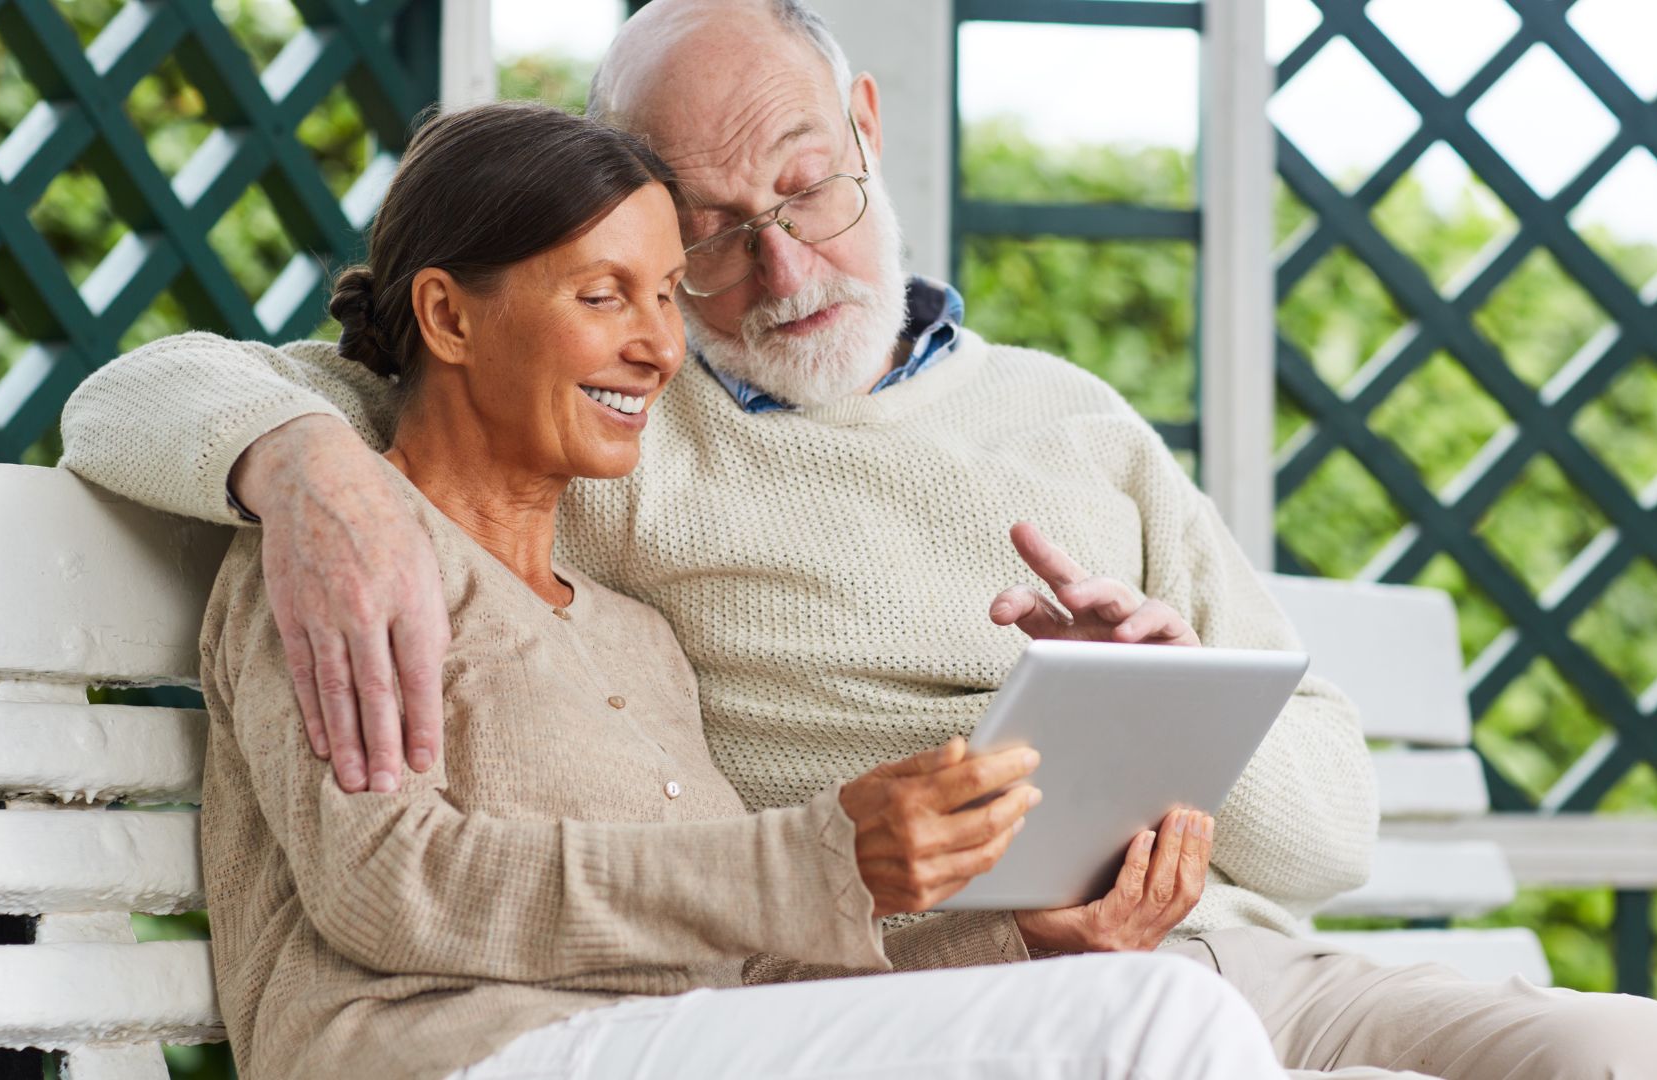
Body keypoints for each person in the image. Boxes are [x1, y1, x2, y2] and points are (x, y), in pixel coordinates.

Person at [67, 2, 1657, 1076]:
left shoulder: (1079, 420)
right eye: (702, 244)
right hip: (959, 994)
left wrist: (1185, 708)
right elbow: (154, 392)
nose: (774, 271)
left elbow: (1333, 840)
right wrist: (297, 462)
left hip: (1224, 952)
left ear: (864, 120)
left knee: (1638, 1055)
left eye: (806, 190)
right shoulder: (616, 423)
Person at [201, 99, 1279, 1080]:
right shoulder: (331, 565)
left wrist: (1024, 939)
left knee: (1145, 998)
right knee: (1161, 1026)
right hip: (444, 1058)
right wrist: (819, 855)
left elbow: (751, 981)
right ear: (448, 317)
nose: (658, 346)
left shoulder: (634, 636)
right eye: (602, 295)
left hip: (661, 1050)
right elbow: (385, 882)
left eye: (667, 295)